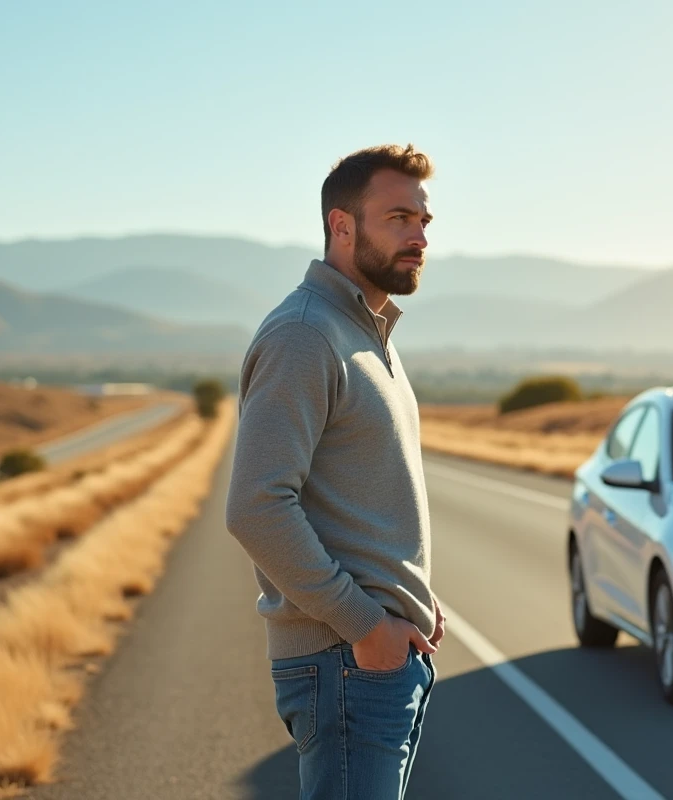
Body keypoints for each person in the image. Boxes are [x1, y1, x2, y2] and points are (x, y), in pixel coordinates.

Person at [225, 143, 445, 799]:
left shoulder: (367, 332)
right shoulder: (305, 335)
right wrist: (368, 626)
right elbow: (257, 508)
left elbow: (361, 498)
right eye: (399, 218)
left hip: (375, 663)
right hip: (345, 662)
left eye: (425, 221)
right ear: (341, 226)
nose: (419, 236)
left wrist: (411, 600)